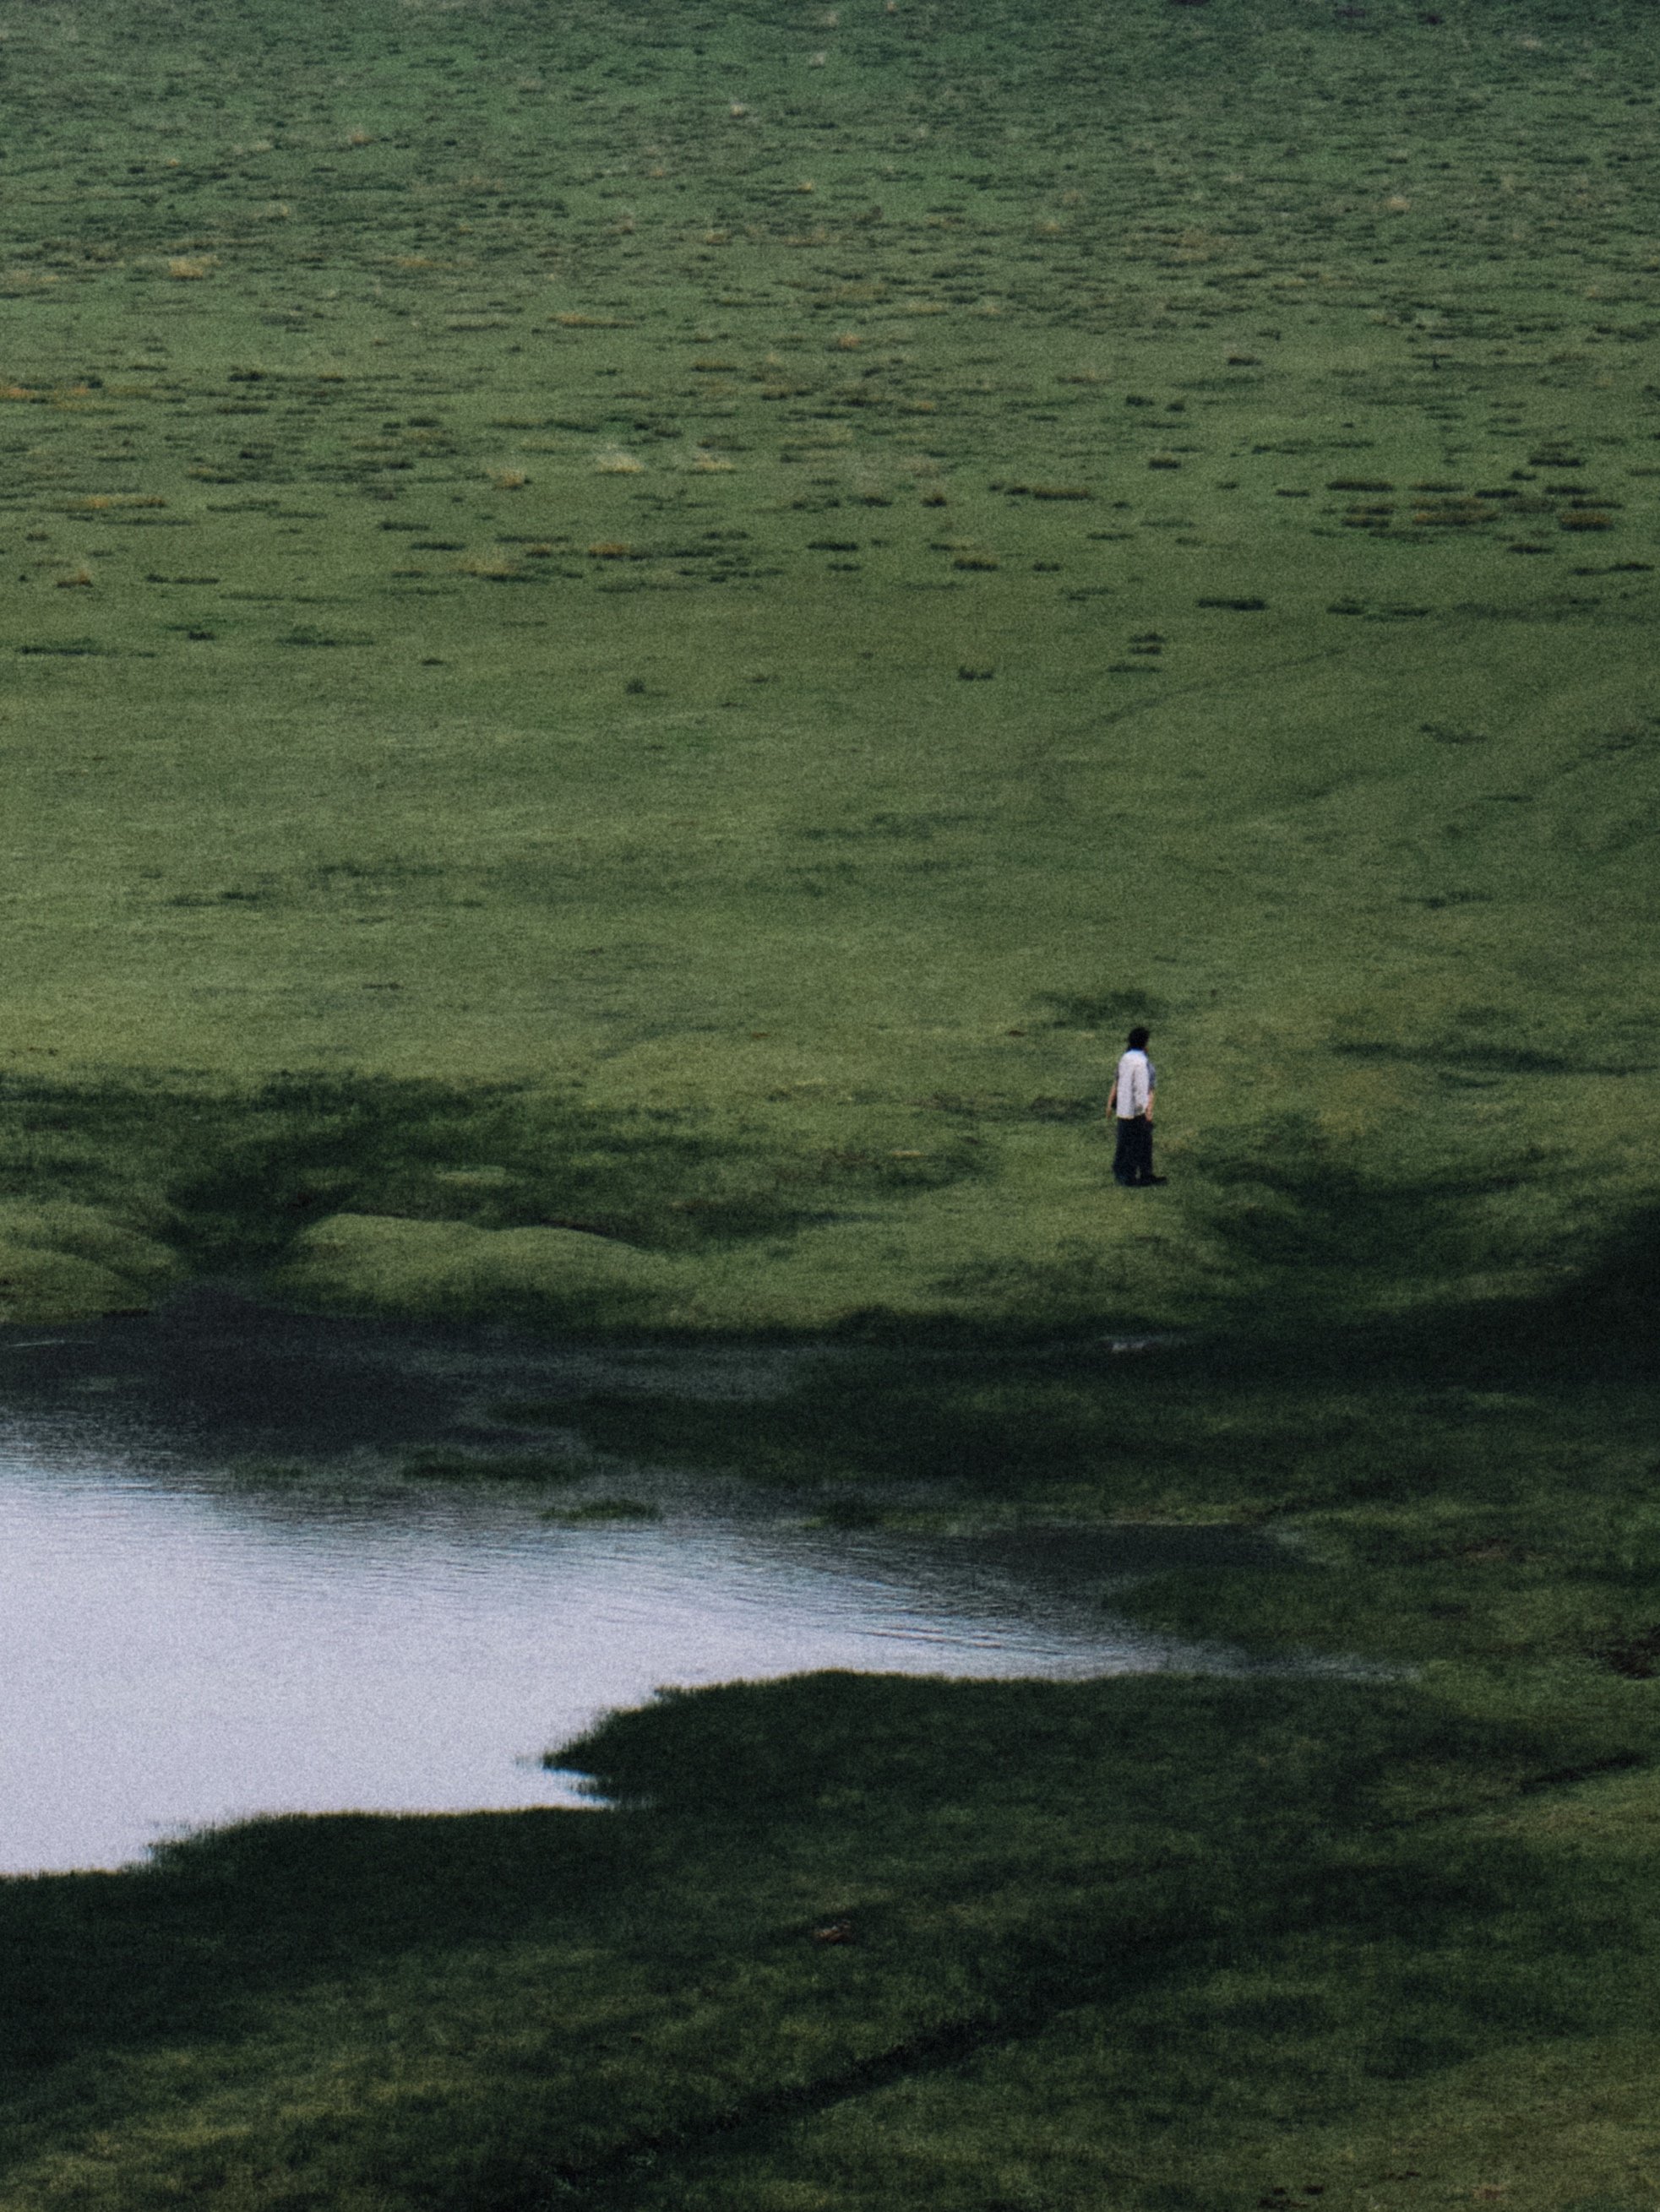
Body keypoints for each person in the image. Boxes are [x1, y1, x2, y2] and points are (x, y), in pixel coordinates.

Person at [1107, 1025, 1163, 1187]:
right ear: (1145, 1044)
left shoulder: (1125, 1059)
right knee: (1141, 1143)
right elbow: (1143, 1089)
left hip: (1123, 1108)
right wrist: (1147, 1110)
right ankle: (1140, 1176)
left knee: (1125, 1143)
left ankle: (1123, 1174)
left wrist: (1110, 1103)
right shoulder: (1143, 1064)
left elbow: (1117, 1082)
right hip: (1137, 1111)